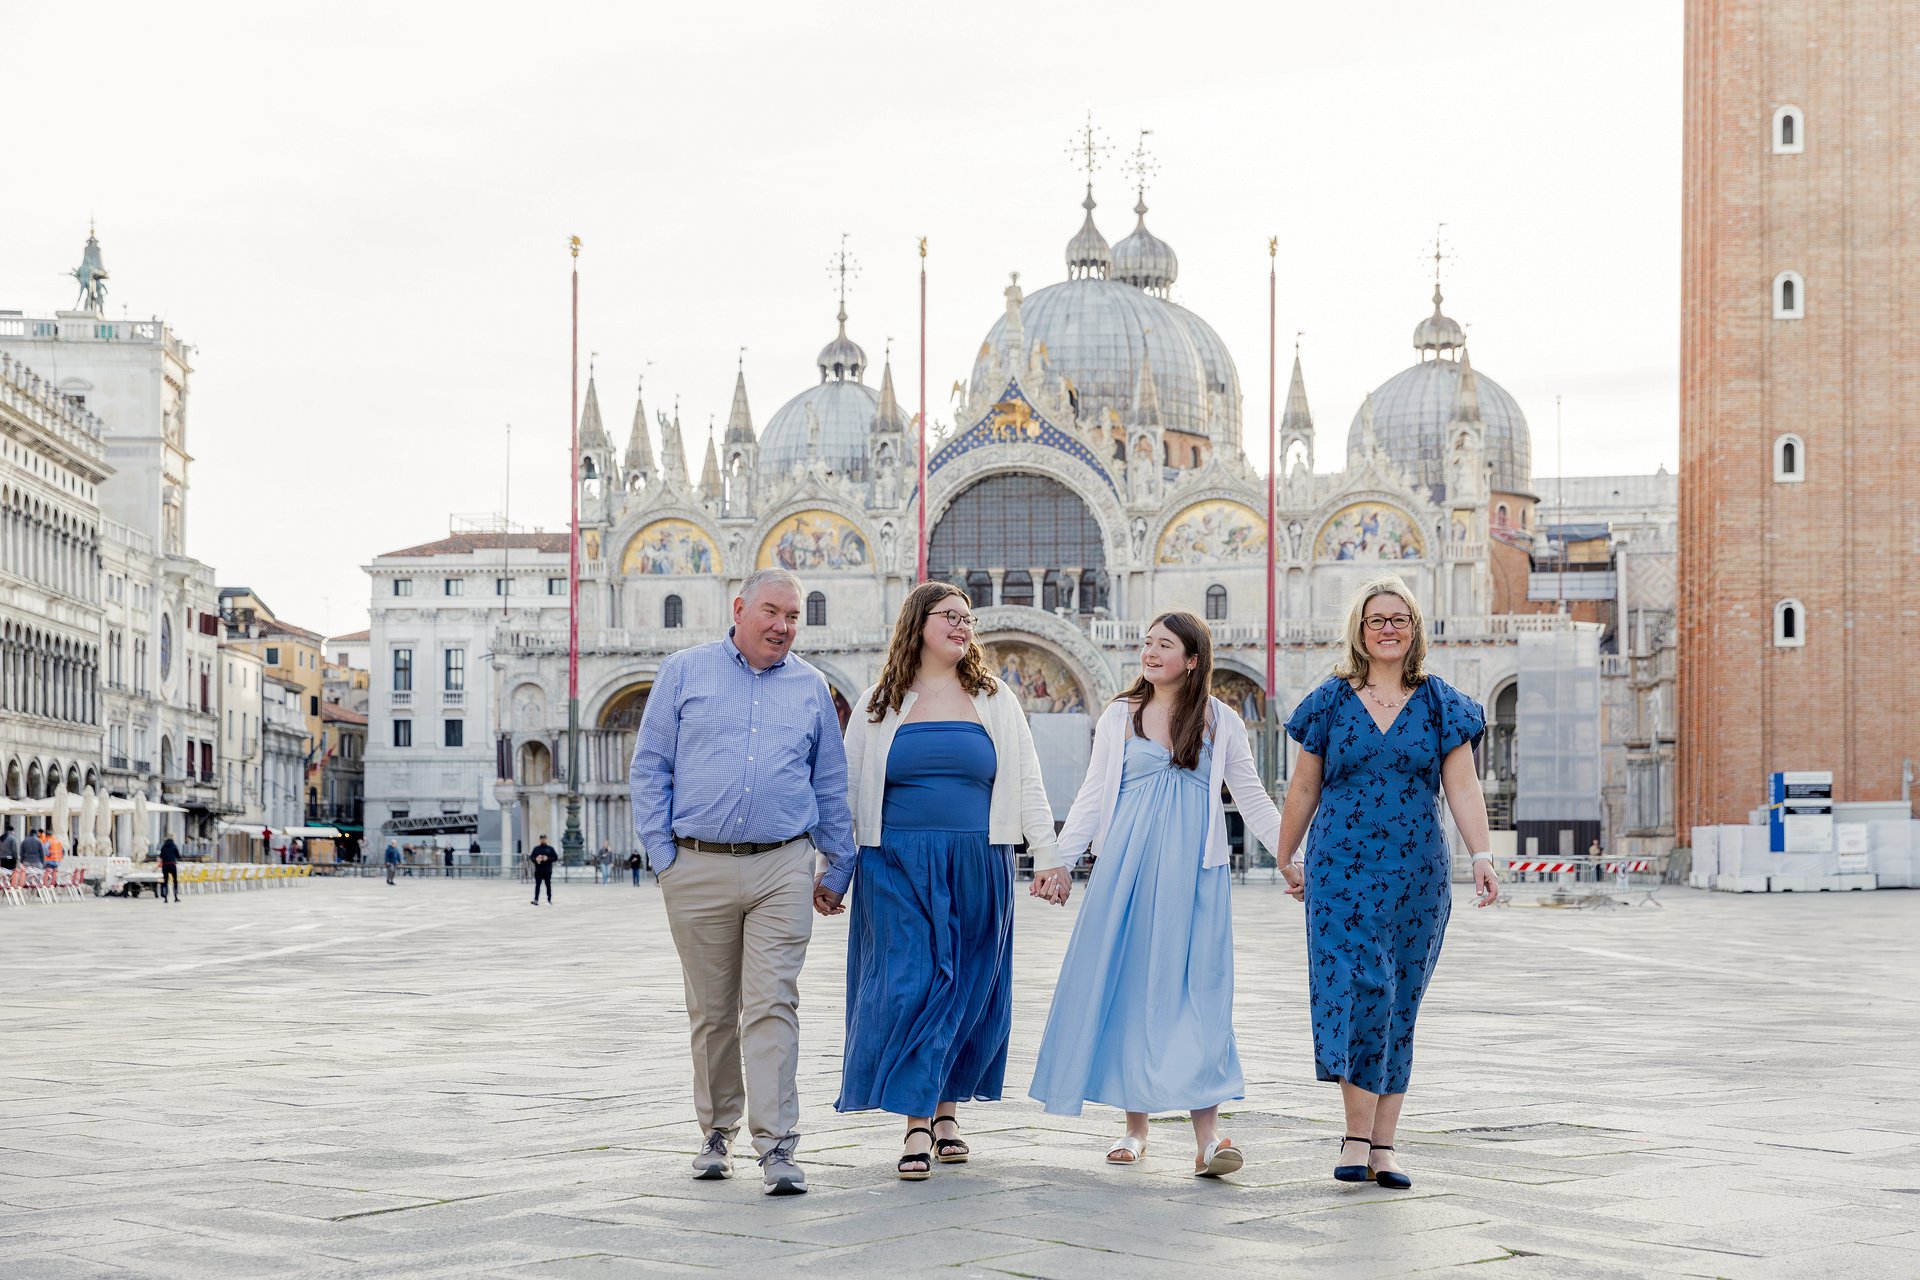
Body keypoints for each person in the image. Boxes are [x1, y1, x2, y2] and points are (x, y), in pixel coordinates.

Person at [1029, 611, 1280, 1178]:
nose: (1150, 652)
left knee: (1201, 994)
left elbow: (1252, 799)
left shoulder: (1221, 721)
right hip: (1128, 871)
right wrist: (1060, 862)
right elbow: (1093, 794)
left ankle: (1208, 1137)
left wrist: (1293, 858)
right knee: (1129, 987)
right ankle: (1134, 1129)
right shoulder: (1121, 714)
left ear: (1192, 659)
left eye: (1163, 645)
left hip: (1196, 875)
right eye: (1147, 643)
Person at [630, 567, 854, 1197]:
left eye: (794, 617)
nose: (783, 626)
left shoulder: (812, 687)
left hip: (783, 865)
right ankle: (716, 1131)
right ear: (739, 609)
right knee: (711, 1011)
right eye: (772, 612)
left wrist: (839, 864)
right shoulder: (683, 672)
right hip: (696, 863)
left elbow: (830, 782)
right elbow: (650, 767)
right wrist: (664, 857)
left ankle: (778, 1144)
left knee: (773, 1002)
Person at [834, 583, 1069, 1182]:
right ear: (918, 623)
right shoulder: (877, 703)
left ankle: (944, 1113)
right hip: (894, 861)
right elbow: (846, 791)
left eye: (969, 619)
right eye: (951, 616)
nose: (964, 626)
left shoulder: (995, 698)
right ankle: (917, 1121)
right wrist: (834, 870)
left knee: (964, 985)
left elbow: (1027, 780)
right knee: (912, 982)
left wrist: (1047, 855)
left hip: (978, 859)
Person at [1275, 575, 1497, 1191]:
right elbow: (1304, 786)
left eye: (1400, 618)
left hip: (1415, 874)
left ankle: (1384, 1145)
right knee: (1355, 989)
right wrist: (1286, 854)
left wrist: (1481, 854)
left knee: (1399, 999)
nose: (1389, 628)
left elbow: (1463, 786)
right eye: (1377, 619)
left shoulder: (1441, 703)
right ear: (1360, 630)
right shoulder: (1330, 701)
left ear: (1415, 628)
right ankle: (1355, 1135)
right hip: (1339, 870)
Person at [529, 835, 557, 904]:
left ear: (546, 839)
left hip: (547, 870)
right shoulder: (536, 848)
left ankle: (549, 899)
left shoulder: (550, 848)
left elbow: (555, 857)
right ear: (540, 840)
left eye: (544, 839)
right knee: (537, 885)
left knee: (548, 885)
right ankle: (536, 899)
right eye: (541, 839)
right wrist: (536, 859)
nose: (543, 840)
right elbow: (531, 857)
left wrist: (547, 858)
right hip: (538, 870)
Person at [157, 834, 181, 904]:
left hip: (165, 866)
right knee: (175, 880)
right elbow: (178, 856)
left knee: (165, 881)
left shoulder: (163, 847)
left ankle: (165, 898)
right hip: (172, 865)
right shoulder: (174, 846)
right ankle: (175, 897)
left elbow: (161, 856)